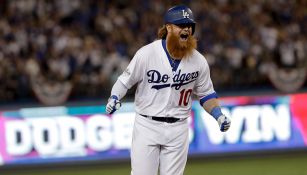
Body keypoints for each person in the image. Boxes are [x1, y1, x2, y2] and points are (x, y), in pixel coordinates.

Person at [106, 5, 231, 175]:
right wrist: (114, 97)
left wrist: (218, 115)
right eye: (181, 25)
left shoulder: (198, 61)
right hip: (147, 125)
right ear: (169, 28)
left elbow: (206, 94)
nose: (186, 29)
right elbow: (124, 81)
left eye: (189, 26)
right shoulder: (147, 54)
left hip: (178, 128)